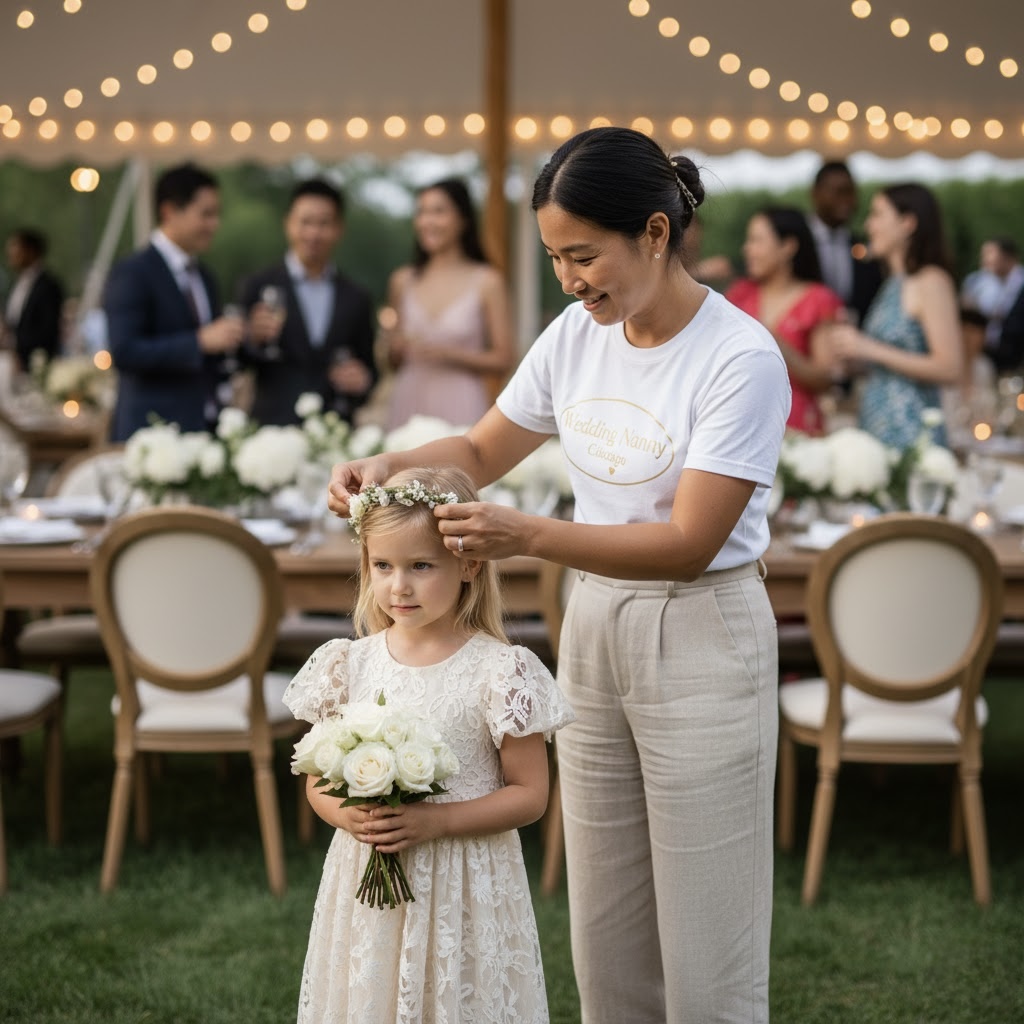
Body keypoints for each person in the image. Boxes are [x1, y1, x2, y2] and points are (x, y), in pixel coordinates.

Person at [329, 126, 791, 1024]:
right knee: (605, 917)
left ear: (656, 234)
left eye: (584, 255)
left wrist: (530, 535)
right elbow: (477, 447)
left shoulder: (740, 357)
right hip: (594, 622)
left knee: (709, 931)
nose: (571, 280)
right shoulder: (577, 335)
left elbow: (691, 541)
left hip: (702, 628)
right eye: (555, 257)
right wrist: (385, 464)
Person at [283, 464, 574, 1023]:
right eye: (383, 565)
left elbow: (530, 795)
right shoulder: (348, 664)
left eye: (421, 565)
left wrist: (435, 822)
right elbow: (316, 778)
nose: (400, 585)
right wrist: (347, 816)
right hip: (370, 884)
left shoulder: (501, 671)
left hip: (467, 886)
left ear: (468, 564)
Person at [104, 162, 243, 441]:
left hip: (202, 431)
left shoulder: (205, 276)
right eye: (206, 214)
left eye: (216, 215)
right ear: (169, 212)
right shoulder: (133, 271)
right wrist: (198, 342)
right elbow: (124, 350)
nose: (214, 224)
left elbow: (213, 355)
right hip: (150, 435)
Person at [830, 183, 963, 450]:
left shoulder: (930, 280)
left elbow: (950, 367)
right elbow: (890, 362)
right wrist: (855, 359)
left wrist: (869, 348)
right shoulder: (892, 284)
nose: (869, 225)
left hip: (913, 436)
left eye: (877, 214)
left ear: (908, 222)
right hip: (877, 429)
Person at [238, 178, 377, 426]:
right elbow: (237, 360)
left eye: (324, 223)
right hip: (273, 429)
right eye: (305, 222)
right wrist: (252, 338)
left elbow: (369, 368)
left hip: (335, 429)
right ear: (288, 224)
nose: (313, 233)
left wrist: (362, 380)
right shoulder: (257, 285)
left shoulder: (356, 296)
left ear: (339, 229)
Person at [384, 178, 514, 430]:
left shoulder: (488, 281)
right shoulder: (402, 280)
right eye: (421, 212)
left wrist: (450, 354)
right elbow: (393, 361)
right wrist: (393, 348)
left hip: (461, 400)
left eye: (438, 212)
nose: (427, 221)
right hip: (409, 398)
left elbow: (505, 358)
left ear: (463, 219)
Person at [727, 206, 843, 434]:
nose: (747, 249)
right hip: (739, 423)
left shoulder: (818, 299)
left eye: (756, 241)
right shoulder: (739, 295)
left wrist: (772, 341)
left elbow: (824, 378)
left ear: (788, 246)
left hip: (797, 430)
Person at [806, 160, 882, 325]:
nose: (846, 201)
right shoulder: (799, 241)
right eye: (838, 192)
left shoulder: (861, 246)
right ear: (815, 193)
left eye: (851, 193)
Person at [3, 227, 66, 372]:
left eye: (15, 248)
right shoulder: (17, 284)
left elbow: (48, 331)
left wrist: (14, 343)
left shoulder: (48, 286)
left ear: (30, 251)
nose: (10, 253)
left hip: (35, 366)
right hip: (12, 363)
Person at [960, 237, 1024, 372]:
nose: (984, 259)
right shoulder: (978, 282)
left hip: (1016, 356)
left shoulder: (1020, 284)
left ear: (1008, 257)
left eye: (989, 253)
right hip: (987, 352)